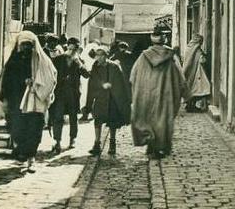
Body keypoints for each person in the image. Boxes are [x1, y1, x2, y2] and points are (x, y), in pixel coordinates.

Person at [0, 30, 57, 172]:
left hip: (35, 101)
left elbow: (51, 76)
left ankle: (31, 158)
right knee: (17, 129)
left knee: (34, 130)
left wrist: (36, 83)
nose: (26, 48)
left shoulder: (42, 60)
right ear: (19, 45)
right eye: (24, 45)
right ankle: (22, 151)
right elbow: (7, 79)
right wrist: (6, 94)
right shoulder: (14, 60)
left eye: (29, 45)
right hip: (17, 101)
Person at [130, 27, 189, 160]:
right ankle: (159, 147)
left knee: (149, 119)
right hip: (165, 94)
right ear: (164, 40)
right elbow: (179, 76)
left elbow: (133, 76)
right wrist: (184, 93)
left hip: (147, 94)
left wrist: (139, 90)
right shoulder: (171, 56)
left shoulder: (143, 56)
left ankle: (150, 144)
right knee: (162, 120)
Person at [84, 45, 131, 156]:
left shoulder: (114, 67)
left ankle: (112, 144)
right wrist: (89, 103)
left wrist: (112, 85)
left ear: (106, 56)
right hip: (100, 97)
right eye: (97, 55)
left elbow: (121, 82)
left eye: (101, 55)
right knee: (97, 120)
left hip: (112, 98)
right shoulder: (95, 66)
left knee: (112, 122)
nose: (98, 58)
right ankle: (97, 144)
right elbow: (92, 82)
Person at [50, 43, 89, 154]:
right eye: (69, 48)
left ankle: (72, 139)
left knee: (73, 117)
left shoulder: (79, 61)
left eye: (73, 49)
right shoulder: (58, 59)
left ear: (77, 50)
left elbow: (86, 75)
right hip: (60, 94)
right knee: (58, 117)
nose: (70, 51)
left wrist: (80, 64)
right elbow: (52, 73)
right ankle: (57, 141)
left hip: (73, 94)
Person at [183, 34, 211, 112]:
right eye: (201, 41)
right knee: (198, 89)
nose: (201, 43)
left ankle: (190, 105)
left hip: (189, 72)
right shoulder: (196, 50)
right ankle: (191, 106)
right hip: (196, 72)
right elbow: (202, 60)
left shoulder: (188, 48)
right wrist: (204, 56)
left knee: (192, 89)